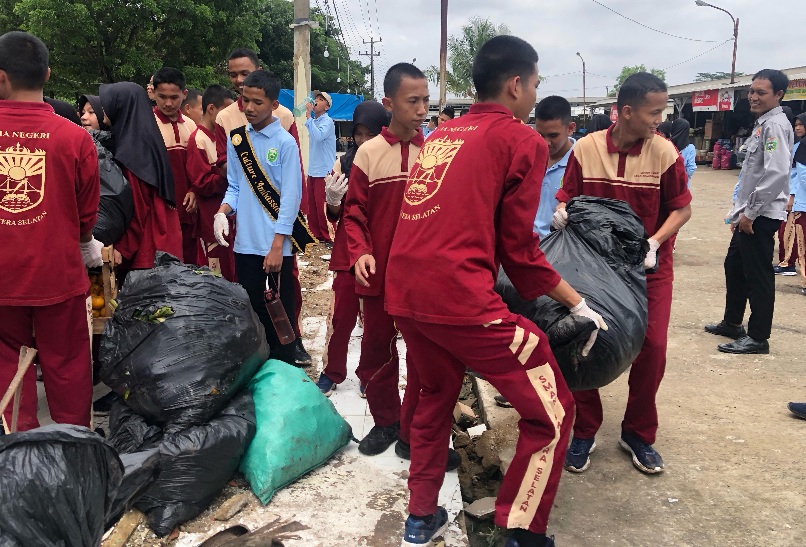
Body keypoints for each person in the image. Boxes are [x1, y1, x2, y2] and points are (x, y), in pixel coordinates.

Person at [386, 36, 607, 547]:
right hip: (460, 299)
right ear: (516, 84)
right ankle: (521, 531)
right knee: (553, 413)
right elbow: (521, 253)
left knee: (434, 399)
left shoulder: (442, 135)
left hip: (408, 295)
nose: (533, 95)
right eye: (533, 85)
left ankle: (421, 518)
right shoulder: (520, 141)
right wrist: (578, 303)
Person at [555, 72, 692, 475]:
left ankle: (638, 433)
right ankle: (585, 428)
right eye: (654, 112)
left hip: (649, 269)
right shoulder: (587, 149)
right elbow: (568, 193)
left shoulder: (665, 152)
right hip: (595, 272)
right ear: (627, 111)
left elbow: (682, 208)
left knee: (652, 348)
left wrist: (654, 242)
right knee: (585, 340)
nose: (659, 120)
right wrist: (562, 210)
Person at [0, 31, 101, 431]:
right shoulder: (75, 137)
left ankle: (19, 448)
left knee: (8, 358)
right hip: (58, 272)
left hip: (3, 276)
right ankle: (74, 446)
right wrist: (80, 240)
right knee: (67, 361)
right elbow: (86, 214)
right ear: (47, 73)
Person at [341, 63, 436, 462]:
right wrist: (360, 251)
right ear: (389, 103)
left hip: (421, 275)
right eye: (412, 101)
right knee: (377, 350)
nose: (421, 109)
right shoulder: (368, 153)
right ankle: (385, 421)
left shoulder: (433, 153)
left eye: (425, 100)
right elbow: (354, 213)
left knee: (423, 356)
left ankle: (415, 433)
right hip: (377, 272)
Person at [214, 47, 311, 365]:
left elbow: (290, 199)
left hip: (275, 246)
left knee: (278, 314)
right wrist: (223, 212)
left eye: (258, 102)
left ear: (274, 104)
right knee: (253, 310)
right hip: (245, 246)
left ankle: (283, 369)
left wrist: (277, 245)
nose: (250, 107)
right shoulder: (237, 139)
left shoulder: (285, 142)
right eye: (245, 100)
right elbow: (234, 186)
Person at [705, 69, 793, 354]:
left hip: (761, 216)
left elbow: (776, 173)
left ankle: (758, 337)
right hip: (748, 213)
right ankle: (732, 322)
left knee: (758, 276)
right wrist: (739, 212)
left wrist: (751, 213)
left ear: (778, 95)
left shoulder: (775, 126)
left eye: (761, 92)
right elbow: (751, 175)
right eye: (751, 91)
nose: (753, 97)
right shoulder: (762, 124)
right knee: (735, 267)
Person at [315, 101, 390, 396]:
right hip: (348, 247)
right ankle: (333, 371)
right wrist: (332, 200)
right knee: (341, 315)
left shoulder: (391, 161)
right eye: (358, 134)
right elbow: (334, 214)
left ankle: (368, 373)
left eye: (369, 134)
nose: (363, 141)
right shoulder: (343, 164)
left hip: (379, 247)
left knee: (374, 319)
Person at [99, 81, 183, 269]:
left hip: (149, 248)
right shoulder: (143, 139)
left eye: (107, 103)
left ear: (121, 106)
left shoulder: (133, 150)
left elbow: (138, 206)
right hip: (163, 241)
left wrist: (123, 248)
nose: (102, 109)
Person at [186, 84, 236, 281]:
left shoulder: (224, 137)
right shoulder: (198, 139)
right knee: (217, 273)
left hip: (230, 216)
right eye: (226, 111)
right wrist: (228, 176)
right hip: (211, 218)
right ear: (211, 109)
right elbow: (202, 183)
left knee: (233, 270)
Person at [152, 67, 199, 264]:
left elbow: (199, 168)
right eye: (162, 96)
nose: (168, 103)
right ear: (153, 93)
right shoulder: (147, 124)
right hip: (159, 210)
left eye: (174, 97)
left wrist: (195, 190)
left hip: (188, 210)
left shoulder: (191, 126)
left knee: (189, 262)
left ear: (184, 95)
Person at [533, 96, 575, 239]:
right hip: (528, 247)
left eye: (553, 136)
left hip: (560, 249)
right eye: (540, 135)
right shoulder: (531, 157)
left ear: (570, 128)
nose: (546, 143)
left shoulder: (581, 162)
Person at [774, 112, 806, 286]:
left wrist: (792, 196)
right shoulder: (798, 146)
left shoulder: (801, 147)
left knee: (794, 236)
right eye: (796, 125)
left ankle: (787, 263)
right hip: (794, 196)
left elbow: (801, 176)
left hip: (799, 200)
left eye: (801, 124)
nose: (797, 128)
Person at [305, 90, 337, 245]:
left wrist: (308, 117)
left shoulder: (327, 121)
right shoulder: (316, 121)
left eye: (320, 99)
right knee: (312, 205)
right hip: (313, 169)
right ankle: (315, 233)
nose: (316, 101)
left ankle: (327, 235)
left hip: (324, 170)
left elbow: (318, 136)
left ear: (327, 106)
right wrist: (310, 119)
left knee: (322, 204)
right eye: (316, 98)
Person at [669, 118, 696, 186]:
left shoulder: (667, 144)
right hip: (683, 186)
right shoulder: (690, 148)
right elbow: (691, 170)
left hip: (667, 185)